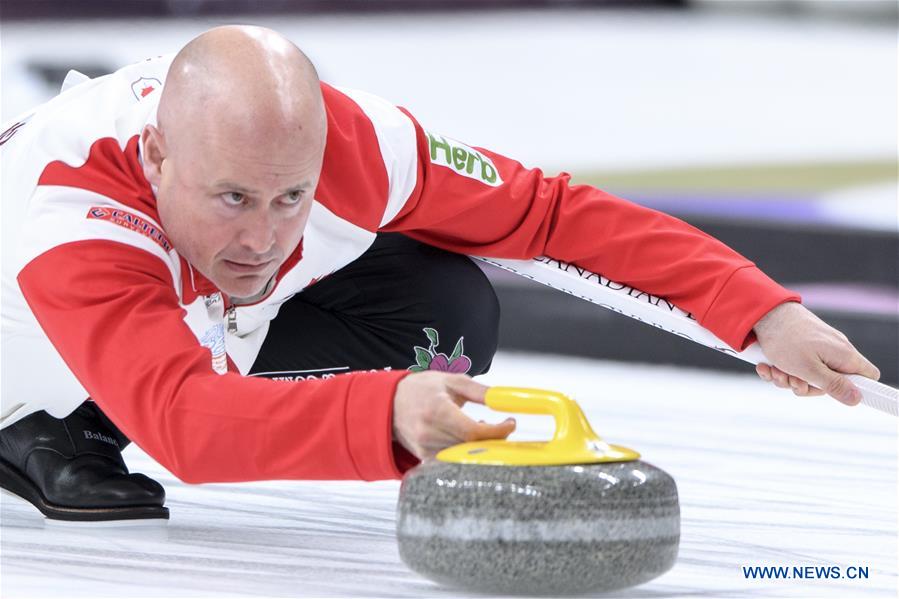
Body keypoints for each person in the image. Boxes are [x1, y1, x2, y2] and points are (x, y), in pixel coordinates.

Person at [0, 26, 880, 523]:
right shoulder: (70, 211)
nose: (263, 237)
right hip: (40, 350)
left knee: (443, 310)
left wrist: (758, 312)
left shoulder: (358, 140)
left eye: (291, 197)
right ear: (155, 155)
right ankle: (43, 425)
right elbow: (184, 422)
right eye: (232, 197)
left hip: (156, 325)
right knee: (182, 381)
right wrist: (379, 409)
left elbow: (547, 216)